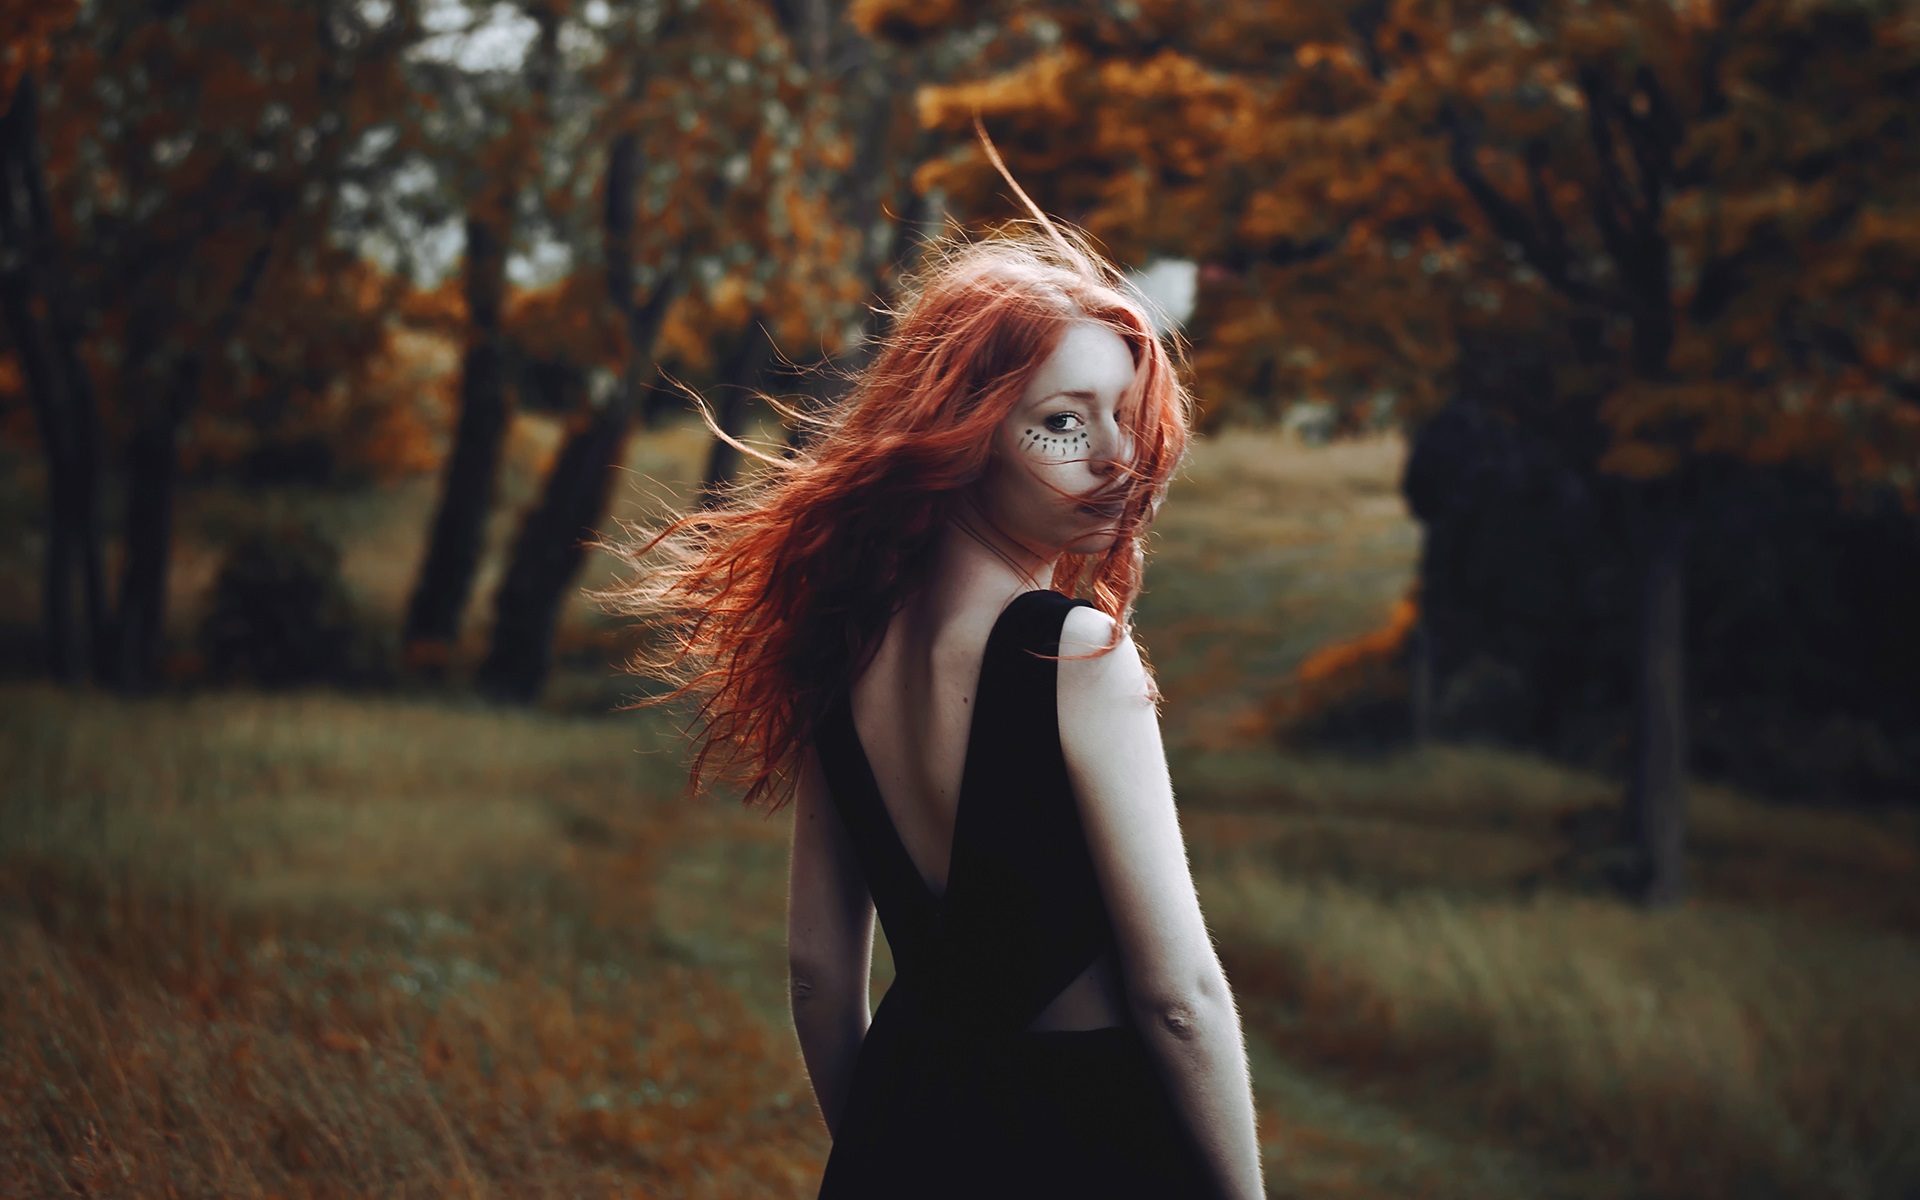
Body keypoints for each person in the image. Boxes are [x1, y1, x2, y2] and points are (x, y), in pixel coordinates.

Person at [597, 174, 1264, 1199]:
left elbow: (820, 979)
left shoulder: (837, 644)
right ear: (963, 435)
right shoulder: (1073, 651)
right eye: (1062, 422)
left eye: (1122, 416)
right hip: (1089, 1141)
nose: (1118, 457)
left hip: (903, 1132)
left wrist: (887, 1152)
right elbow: (1180, 997)